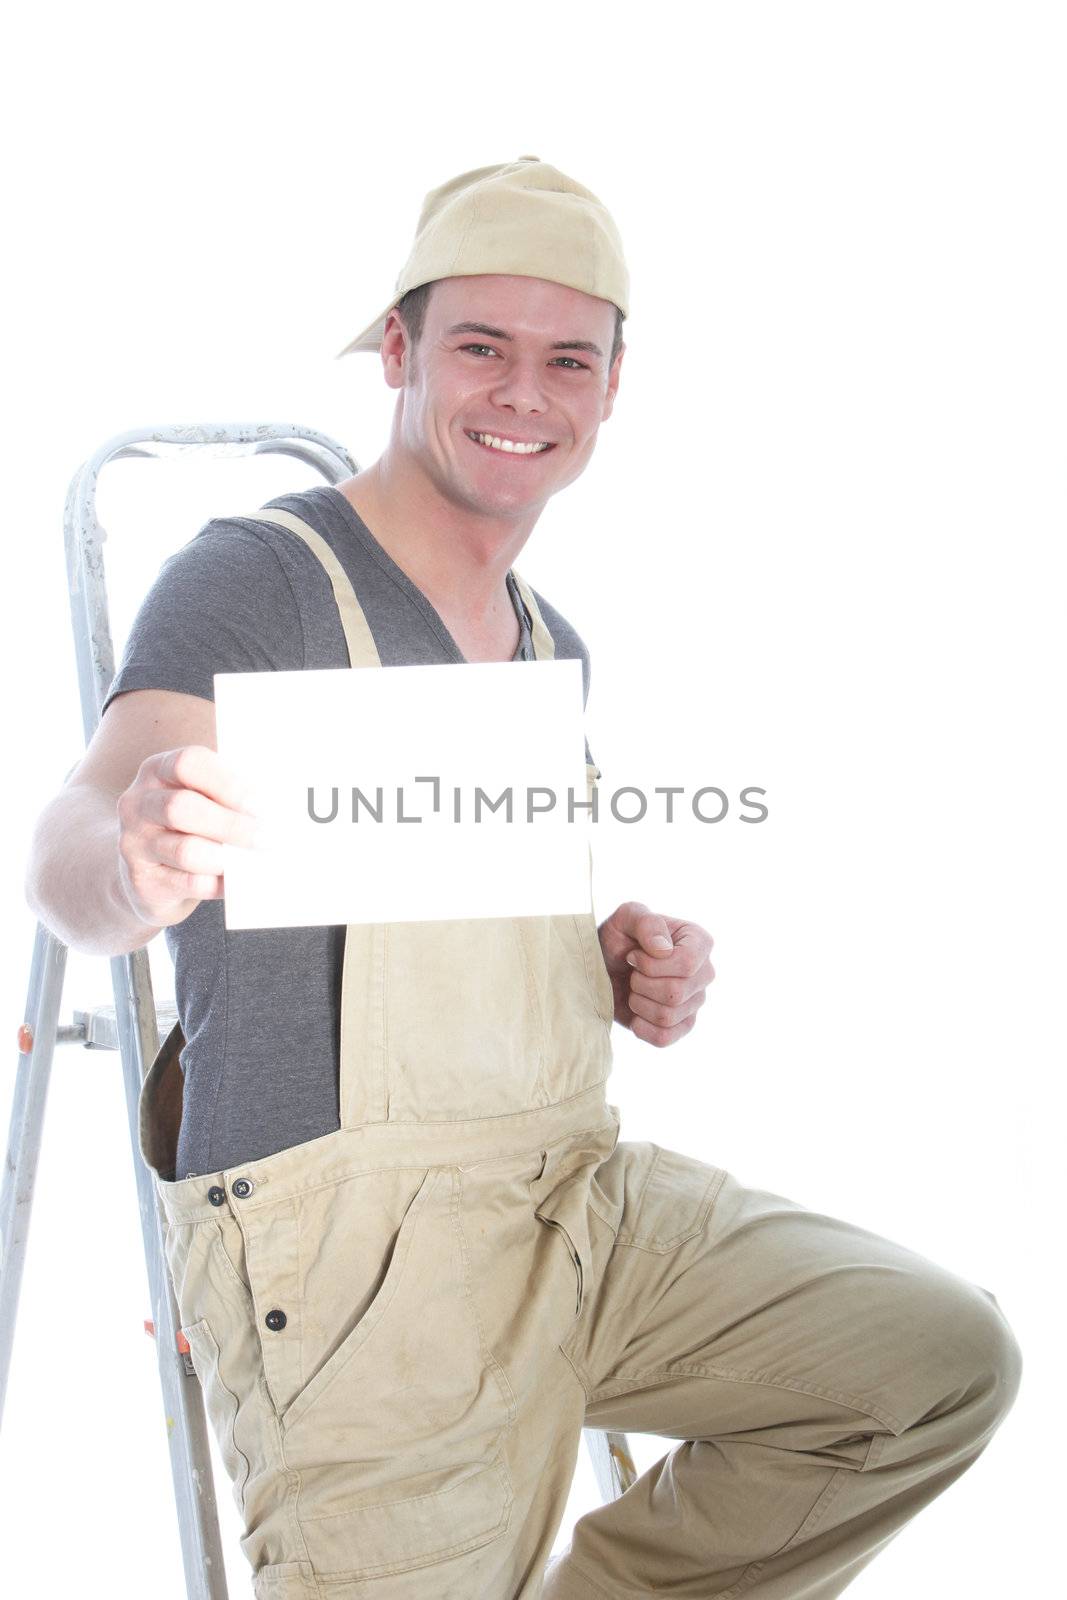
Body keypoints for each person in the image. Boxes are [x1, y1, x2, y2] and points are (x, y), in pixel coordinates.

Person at [26, 157, 1022, 1599]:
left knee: (930, 1367)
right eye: (480, 346)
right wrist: (133, 864)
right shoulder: (263, 579)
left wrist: (604, 962)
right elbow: (76, 839)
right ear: (399, 352)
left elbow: (459, 926)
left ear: (614, 387)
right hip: (357, 1258)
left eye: (569, 359)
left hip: (571, 1191)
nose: (523, 392)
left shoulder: (550, 641)